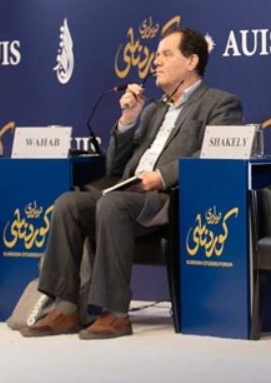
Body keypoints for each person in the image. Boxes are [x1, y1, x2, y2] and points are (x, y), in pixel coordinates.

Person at [21, 27, 243, 339]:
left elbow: (212, 156)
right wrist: (127, 121)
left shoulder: (220, 103)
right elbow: (114, 166)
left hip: (167, 198)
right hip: (128, 193)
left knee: (113, 204)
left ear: (192, 61)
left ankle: (115, 313)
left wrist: (162, 177)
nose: (156, 62)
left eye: (166, 54)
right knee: (68, 204)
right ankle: (66, 307)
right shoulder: (153, 110)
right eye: (156, 55)